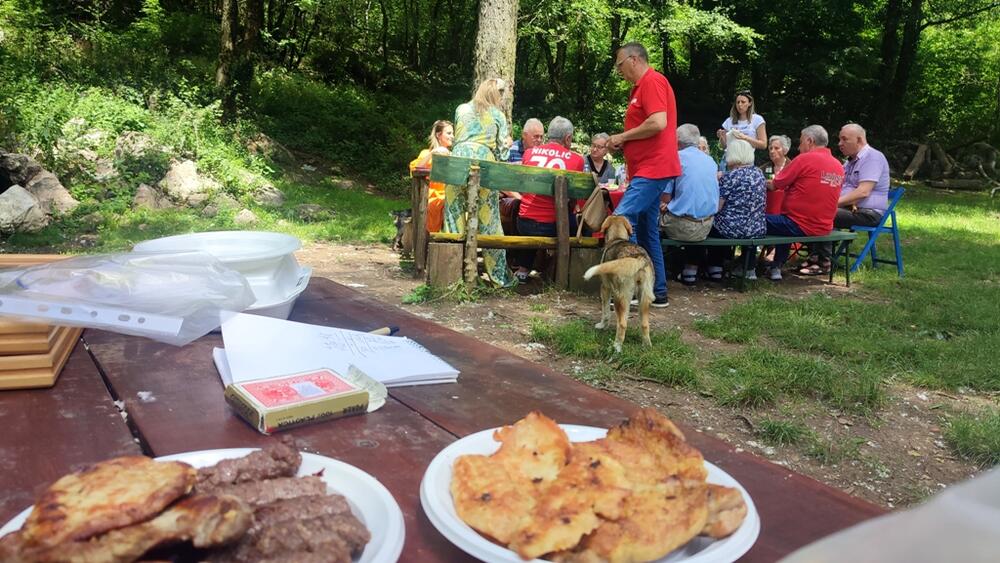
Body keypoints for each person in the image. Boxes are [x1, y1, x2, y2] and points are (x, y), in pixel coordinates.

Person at [606, 42, 680, 307]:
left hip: (654, 167)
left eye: (619, 64)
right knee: (649, 230)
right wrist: (625, 142)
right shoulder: (639, 89)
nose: (619, 71)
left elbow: (658, 122)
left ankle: (631, 290)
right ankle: (656, 292)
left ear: (634, 59)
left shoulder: (653, 81)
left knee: (621, 220)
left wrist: (622, 136)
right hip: (647, 168)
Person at [443, 78, 514, 286]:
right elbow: (502, 153)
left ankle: (451, 273)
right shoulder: (498, 116)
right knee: (490, 222)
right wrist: (506, 146)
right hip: (484, 167)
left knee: (453, 215)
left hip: (457, 165)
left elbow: (459, 138)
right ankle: (499, 277)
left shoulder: (461, 109)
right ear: (497, 95)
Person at [803, 123, 891, 275]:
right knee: (813, 209)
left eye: (844, 140)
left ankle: (824, 261)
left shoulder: (873, 158)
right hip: (850, 209)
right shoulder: (849, 162)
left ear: (859, 140)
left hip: (869, 213)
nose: (839, 144)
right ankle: (816, 257)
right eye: (839, 139)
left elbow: (863, 192)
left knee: (823, 213)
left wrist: (830, 204)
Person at [764, 125, 844, 281]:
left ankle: (747, 266)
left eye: (801, 143)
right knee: (783, 222)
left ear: (810, 141)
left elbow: (774, 185)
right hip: (824, 226)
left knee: (751, 221)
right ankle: (775, 267)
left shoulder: (804, 159)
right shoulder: (838, 166)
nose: (799, 147)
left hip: (798, 225)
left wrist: (756, 180)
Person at [512, 116, 586, 281]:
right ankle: (569, 268)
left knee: (532, 212)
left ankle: (524, 268)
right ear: (568, 138)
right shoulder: (577, 160)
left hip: (524, 224)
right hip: (556, 226)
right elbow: (575, 200)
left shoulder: (529, 153)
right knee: (580, 224)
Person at [659, 124, 719, 285]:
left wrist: (669, 203)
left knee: (649, 219)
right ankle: (690, 270)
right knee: (691, 211)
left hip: (682, 227)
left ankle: (657, 270)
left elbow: (665, 198)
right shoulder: (710, 161)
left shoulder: (676, 159)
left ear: (676, 141)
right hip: (706, 226)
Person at [707, 139, 767, 281]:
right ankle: (749, 268)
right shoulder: (759, 174)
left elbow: (717, 207)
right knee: (745, 225)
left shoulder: (730, 176)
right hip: (757, 229)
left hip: (732, 229)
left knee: (712, 224)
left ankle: (715, 267)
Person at [408, 119, 454, 233]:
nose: (452, 136)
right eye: (449, 133)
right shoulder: (426, 153)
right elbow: (415, 168)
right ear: (439, 135)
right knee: (436, 204)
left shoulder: (454, 155)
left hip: (450, 194)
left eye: (453, 133)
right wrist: (433, 152)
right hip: (430, 195)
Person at [759, 134, 792, 215]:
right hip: (767, 211)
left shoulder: (792, 167)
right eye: (770, 148)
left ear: (785, 150)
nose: (772, 151)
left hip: (787, 212)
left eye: (776, 148)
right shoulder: (762, 168)